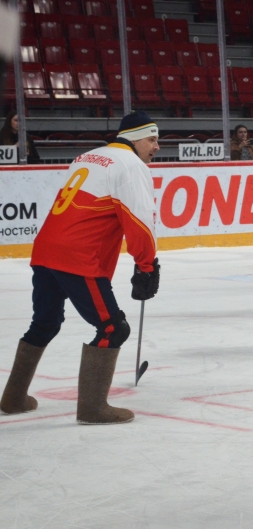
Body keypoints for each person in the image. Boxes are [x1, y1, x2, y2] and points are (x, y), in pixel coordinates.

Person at [0, 110, 161, 424]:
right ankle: (92, 407)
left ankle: (13, 397)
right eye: (152, 139)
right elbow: (138, 219)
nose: (156, 146)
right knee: (114, 328)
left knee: (44, 323)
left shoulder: (89, 156)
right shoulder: (130, 165)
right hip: (78, 256)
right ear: (134, 138)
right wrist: (147, 266)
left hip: (47, 251)